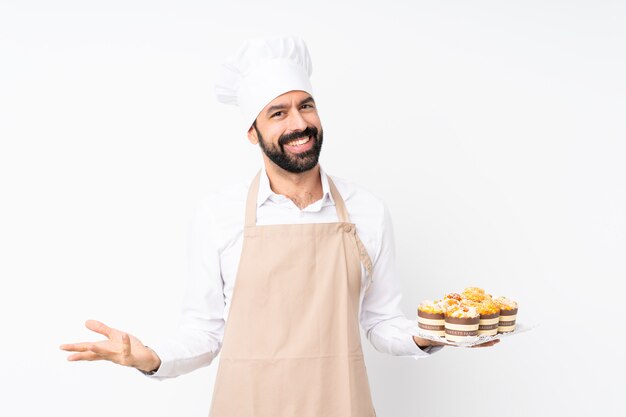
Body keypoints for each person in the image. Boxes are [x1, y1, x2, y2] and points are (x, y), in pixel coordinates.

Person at [60, 35, 498, 416]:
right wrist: (151, 358)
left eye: (306, 106)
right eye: (278, 113)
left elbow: (381, 322)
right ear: (253, 133)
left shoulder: (367, 211)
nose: (300, 123)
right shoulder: (218, 215)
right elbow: (205, 332)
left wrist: (436, 333)